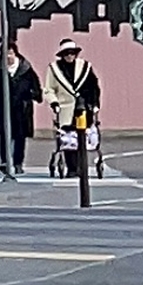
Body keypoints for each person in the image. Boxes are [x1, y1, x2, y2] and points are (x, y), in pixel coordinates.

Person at [0, 39, 41, 182]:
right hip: (1, 107)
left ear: (15, 54)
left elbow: (35, 85)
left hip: (21, 108)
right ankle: (5, 161)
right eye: (5, 54)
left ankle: (18, 162)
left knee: (20, 136)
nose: (8, 57)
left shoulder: (25, 68)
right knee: (4, 134)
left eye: (10, 53)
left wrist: (34, 95)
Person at [47, 31, 102, 182]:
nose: (70, 56)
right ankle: (71, 168)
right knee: (68, 140)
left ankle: (81, 167)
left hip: (84, 108)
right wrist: (54, 102)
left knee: (82, 139)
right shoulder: (54, 69)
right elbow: (49, 89)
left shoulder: (85, 67)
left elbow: (94, 87)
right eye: (66, 54)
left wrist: (95, 104)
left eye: (72, 53)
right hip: (65, 109)